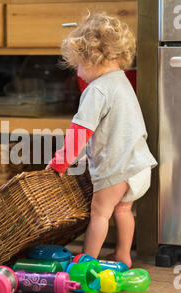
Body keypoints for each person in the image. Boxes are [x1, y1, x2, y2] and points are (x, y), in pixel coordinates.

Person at [46, 12, 157, 268]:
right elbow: (115, 129)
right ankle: (123, 256)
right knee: (123, 211)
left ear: (92, 58)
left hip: (117, 169)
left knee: (99, 213)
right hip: (139, 166)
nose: (79, 72)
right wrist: (89, 154)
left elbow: (79, 132)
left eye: (79, 65)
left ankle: (86, 262)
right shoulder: (122, 82)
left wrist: (60, 163)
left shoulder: (96, 90)